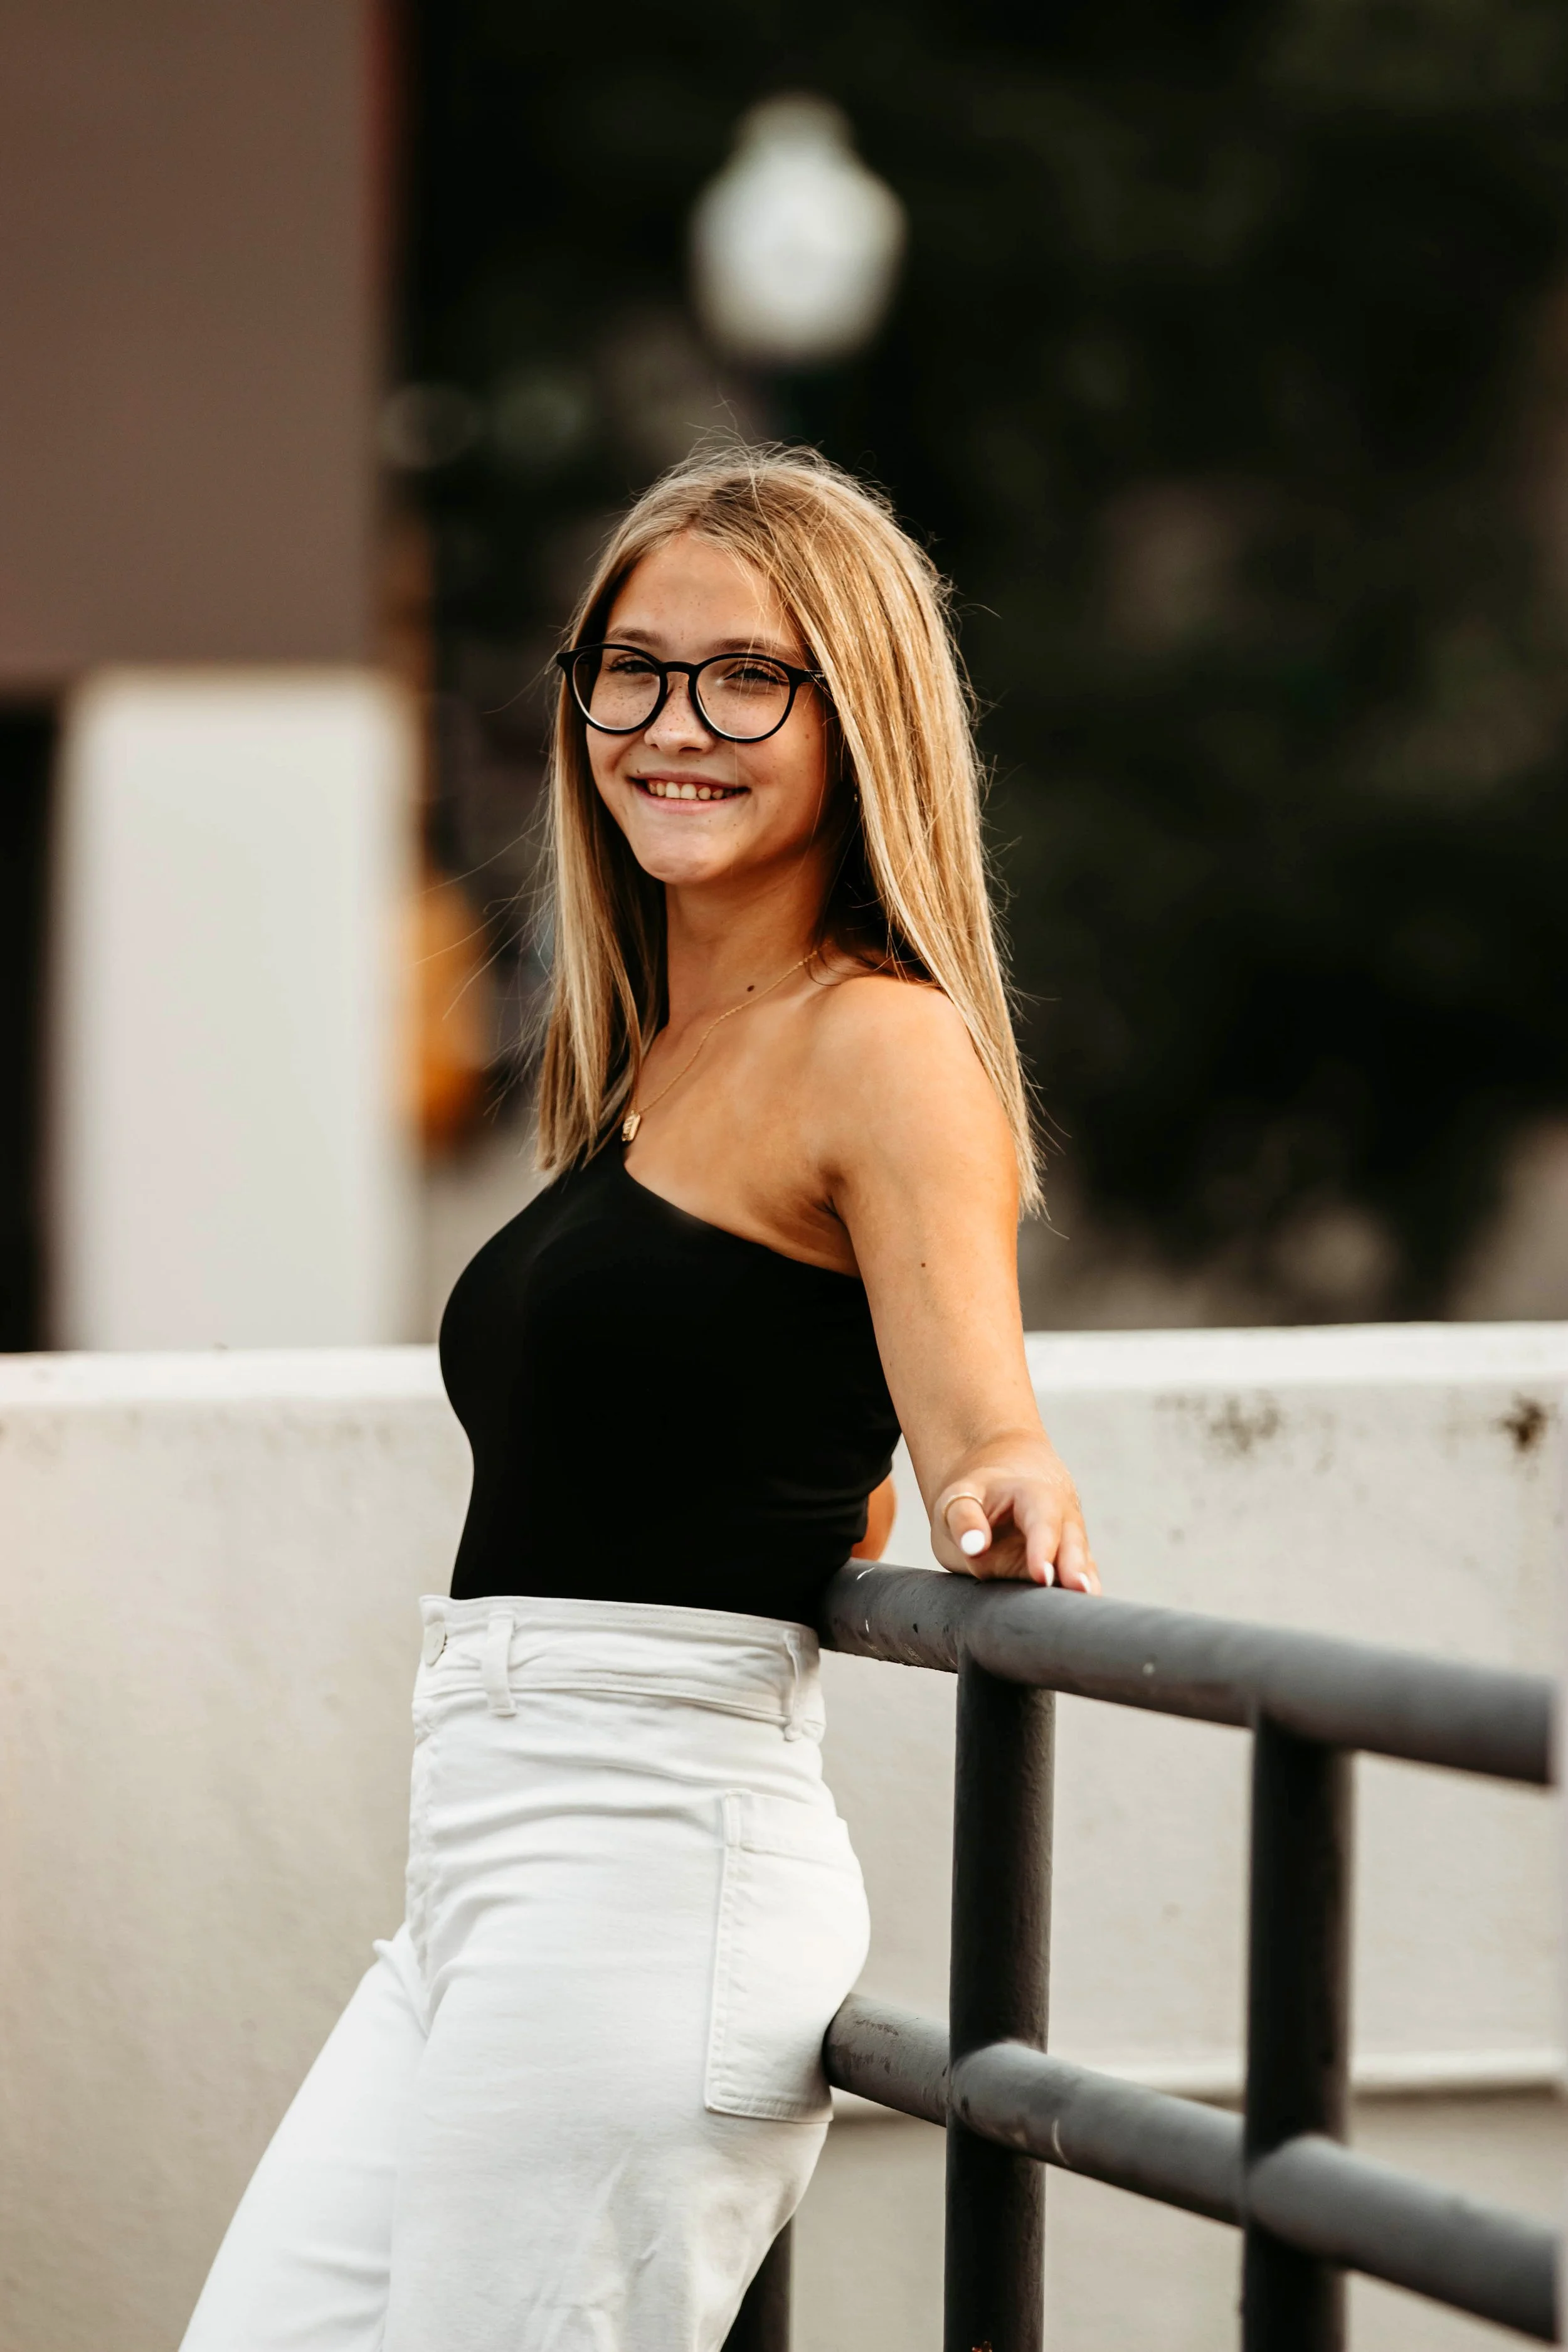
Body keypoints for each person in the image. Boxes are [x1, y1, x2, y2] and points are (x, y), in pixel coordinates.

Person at [178, 446, 1098, 2352]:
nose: (674, 724)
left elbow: (971, 1410)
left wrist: (1000, 1480)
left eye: (747, 675)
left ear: (858, 716)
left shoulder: (881, 1040)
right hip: (481, 1862)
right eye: (635, 666)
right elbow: (741, 1405)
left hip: (648, 1863)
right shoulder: (650, 1058)